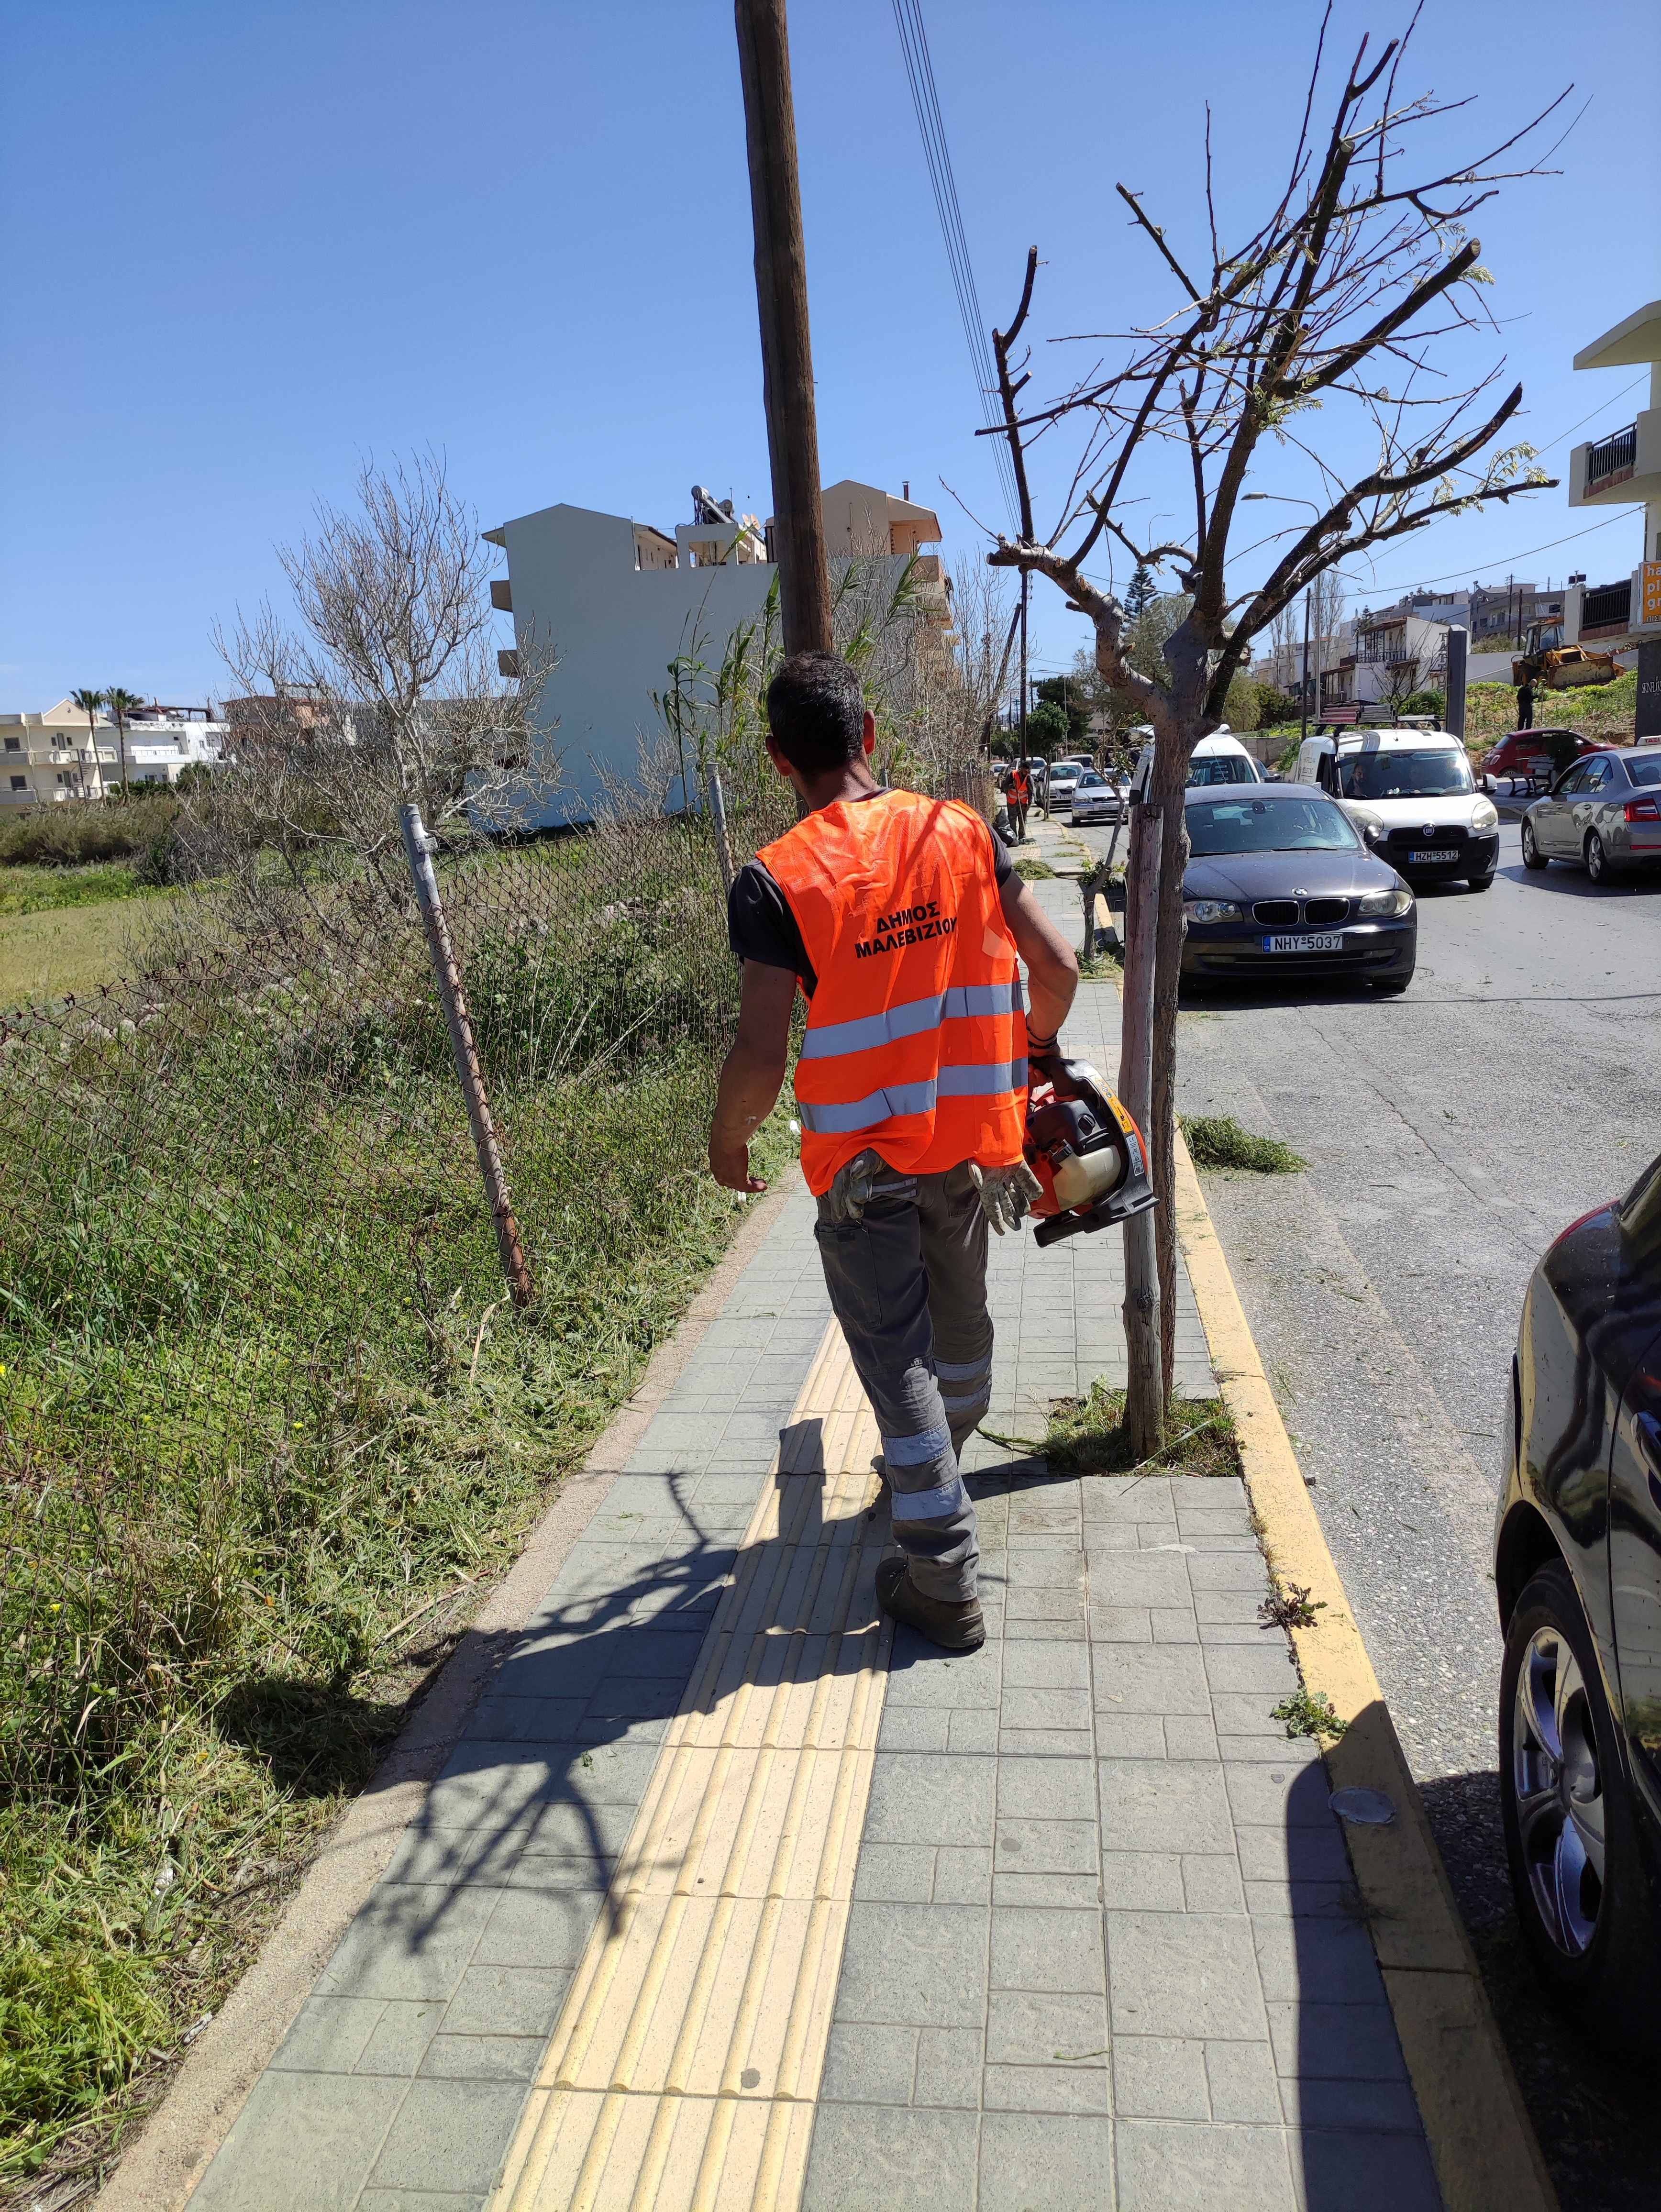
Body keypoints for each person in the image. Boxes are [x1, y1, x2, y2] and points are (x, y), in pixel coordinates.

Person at [709, 652, 1079, 1650]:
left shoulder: (775, 877)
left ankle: (942, 1574)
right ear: (870, 732)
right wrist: (1030, 1051)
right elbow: (1057, 963)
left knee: (894, 1359)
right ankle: (937, 1469)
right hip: (967, 1150)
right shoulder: (962, 831)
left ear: (780, 757)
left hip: (863, 1170)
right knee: (958, 1334)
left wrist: (727, 1132)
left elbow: (757, 1048)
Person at [1004, 761, 1031, 842]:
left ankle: (1022, 837)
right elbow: (1005, 787)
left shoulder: (1029, 778)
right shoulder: (1012, 775)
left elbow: (1031, 791)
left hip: (1023, 803)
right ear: (1022, 769)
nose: (1027, 773)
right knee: (1012, 820)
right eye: (1026, 771)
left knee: (1022, 820)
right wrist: (1012, 785)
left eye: (1029, 772)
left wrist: (1029, 803)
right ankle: (1014, 838)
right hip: (1012, 802)